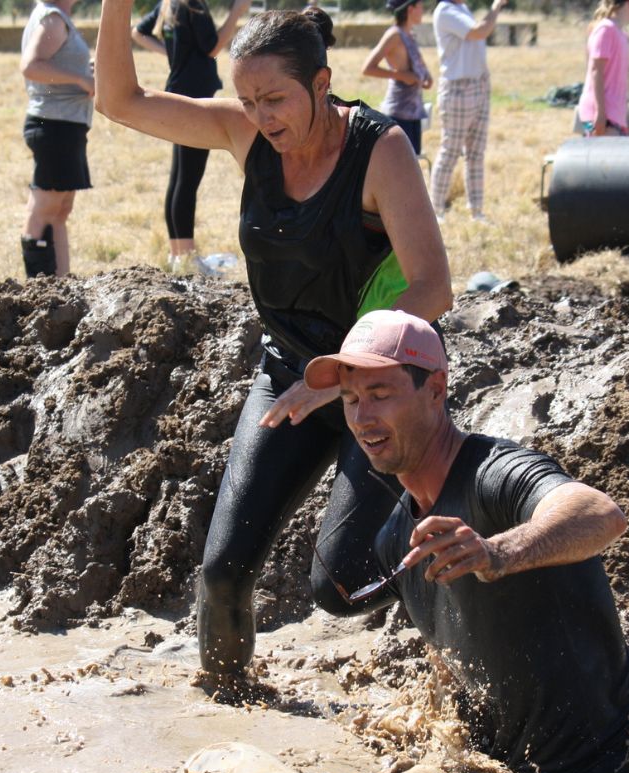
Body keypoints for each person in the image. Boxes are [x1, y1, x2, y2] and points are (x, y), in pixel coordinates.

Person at [96, 4, 453, 677]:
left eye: (275, 98)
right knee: (223, 573)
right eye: (247, 99)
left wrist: (335, 379)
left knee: (340, 586)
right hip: (290, 375)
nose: (261, 116)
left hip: (381, 382)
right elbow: (119, 100)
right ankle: (223, 711)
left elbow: (433, 288)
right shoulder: (245, 136)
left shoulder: (380, 151)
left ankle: (460, 566)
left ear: (321, 84)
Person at [302, 309, 629, 773]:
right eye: (349, 399)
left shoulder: (495, 474)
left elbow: (601, 514)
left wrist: (499, 553)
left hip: (614, 771)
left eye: (379, 394)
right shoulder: (397, 539)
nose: (362, 417)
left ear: (435, 390)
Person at [130, 0, 250, 273]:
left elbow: (138, 32)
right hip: (194, 98)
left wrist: (175, 54)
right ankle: (186, 257)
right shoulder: (193, 4)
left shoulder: (169, 4)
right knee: (188, 179)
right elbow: (213, 48)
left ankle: (178, 254)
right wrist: (236, 13)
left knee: (179, 178)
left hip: (178, 92)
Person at [18, 0, 95, 278]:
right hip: (53, 125)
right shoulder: (52, 19)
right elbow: (32, 66)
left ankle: (61, 287)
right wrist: (81, 80)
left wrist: (84, 74)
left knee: (60, 210)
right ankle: (41, 292)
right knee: (45, 210)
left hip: (65, 125)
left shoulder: (57, 18)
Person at [429, 0, 505, 222]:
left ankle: (477, 211)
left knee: (475, 154)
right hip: (458, 89)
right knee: (450, 151)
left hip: (478, 85)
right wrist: (496, 7)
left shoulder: (460, 8)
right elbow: (478, 31)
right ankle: (436, 211)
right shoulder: (445, 11)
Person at [361, 0, 432, 156]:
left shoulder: (410, 34)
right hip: (398, 114)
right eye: (420, 6)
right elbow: (367, 68)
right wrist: (401, 75)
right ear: (410, 9)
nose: (423, 10)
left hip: (414, 113)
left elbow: (418, 65)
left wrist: (426, 76)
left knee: (412, 166)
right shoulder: (394, 35)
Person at [575, 0, 629, 137]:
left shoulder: (621, 34)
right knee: (604, 158)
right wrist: (600, 113)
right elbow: (596, 70)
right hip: (601, 116)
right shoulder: (606, 30)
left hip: (614, 115)